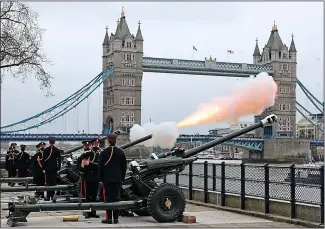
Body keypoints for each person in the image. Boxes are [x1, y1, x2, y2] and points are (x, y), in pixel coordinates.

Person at [99, 134, 127, 224]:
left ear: (108, 141)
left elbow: (100, 168)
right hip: (117, 179)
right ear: (116, 141)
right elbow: (124, 167)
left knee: (108, 198)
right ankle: (115, 218)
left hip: (107, 179)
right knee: (116, 198)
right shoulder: (121, 152)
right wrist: (122, 177)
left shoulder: (103, 153)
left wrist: (100, 178)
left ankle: (109, 218)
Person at [77, 140, 100, 218]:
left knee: (94, 195)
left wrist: (90, 164)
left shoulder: (101, 154)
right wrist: (82, 171)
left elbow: (100, 165)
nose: (96, 145)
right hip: (87, 177)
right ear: (92, 144)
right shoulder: (86, 154)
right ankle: (87, 212)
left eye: (97, 144)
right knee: (87, 195)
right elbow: (80, 165)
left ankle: (93, 212)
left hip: (96, 177)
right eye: (94, 144)